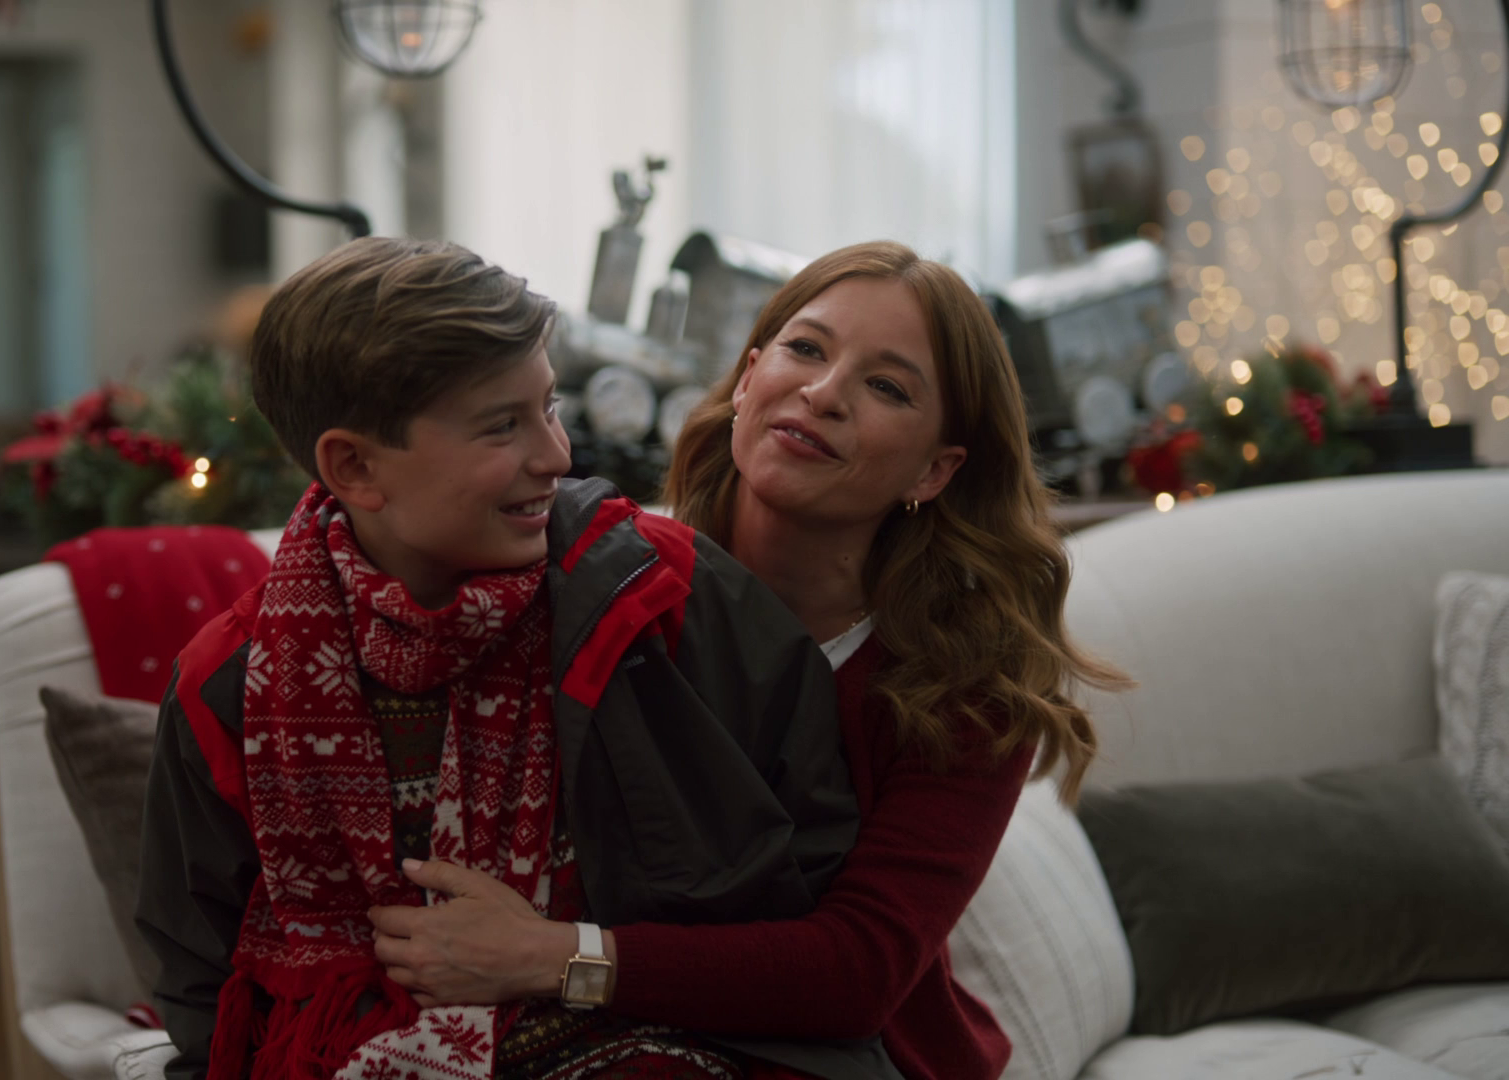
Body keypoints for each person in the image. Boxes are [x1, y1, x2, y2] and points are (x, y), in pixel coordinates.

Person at [366, 241, 1130, 1080]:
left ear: (936, 469)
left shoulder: (967, 690)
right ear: (748, 376)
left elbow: (857, 972)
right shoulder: (598, 580)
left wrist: (555, 958)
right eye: (805, 348)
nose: (824, 392)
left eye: (886, 387)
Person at [133, 237, 867, 1080]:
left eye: (549, 406)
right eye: (502, 426)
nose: (557, 455)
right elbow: (203, 978)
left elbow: (811, 894)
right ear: (355, 466)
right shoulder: (232, 681)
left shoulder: (665, 599)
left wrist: (573, 962)